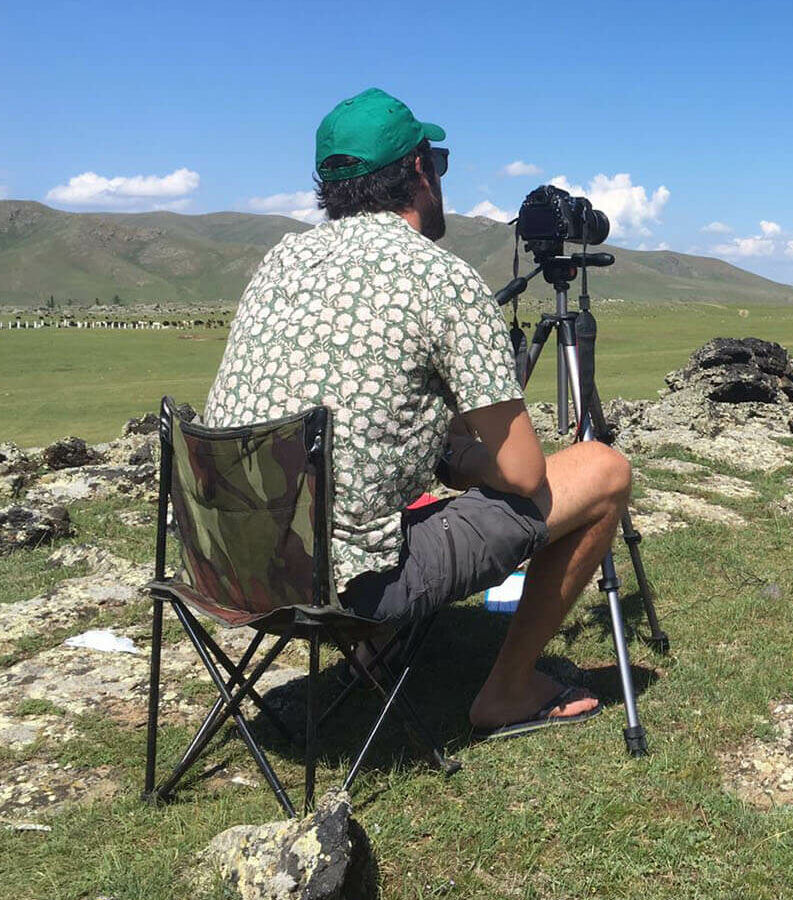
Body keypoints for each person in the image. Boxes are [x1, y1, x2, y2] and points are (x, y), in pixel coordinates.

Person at [204, 88, 630, 738]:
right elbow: (521, 476)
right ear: (422, 172)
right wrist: (461, 462)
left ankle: (378, 650)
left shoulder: (280, 259)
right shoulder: (441, 280)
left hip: (229, 563)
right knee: (601, 470)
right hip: (335, 588)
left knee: (390, 470)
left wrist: (442, 448)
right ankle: (508, 690)